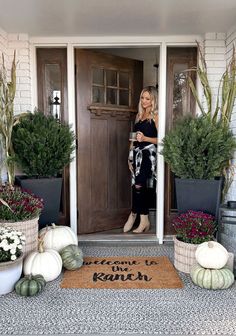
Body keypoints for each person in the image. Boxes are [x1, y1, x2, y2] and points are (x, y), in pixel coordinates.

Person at [123, 86, 158, 233]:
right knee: (137, 186)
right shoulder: (139, 116)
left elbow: (160, 140)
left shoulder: (155, 117)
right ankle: (143, 219)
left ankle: (135, 215)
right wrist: (129, 157)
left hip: (147, 155)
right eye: (142, 98)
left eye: (148, 99)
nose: (144, 101)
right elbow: (133, 138)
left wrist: (145, 138)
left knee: (139, 185)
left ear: (153, 101)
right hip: (136, 154)